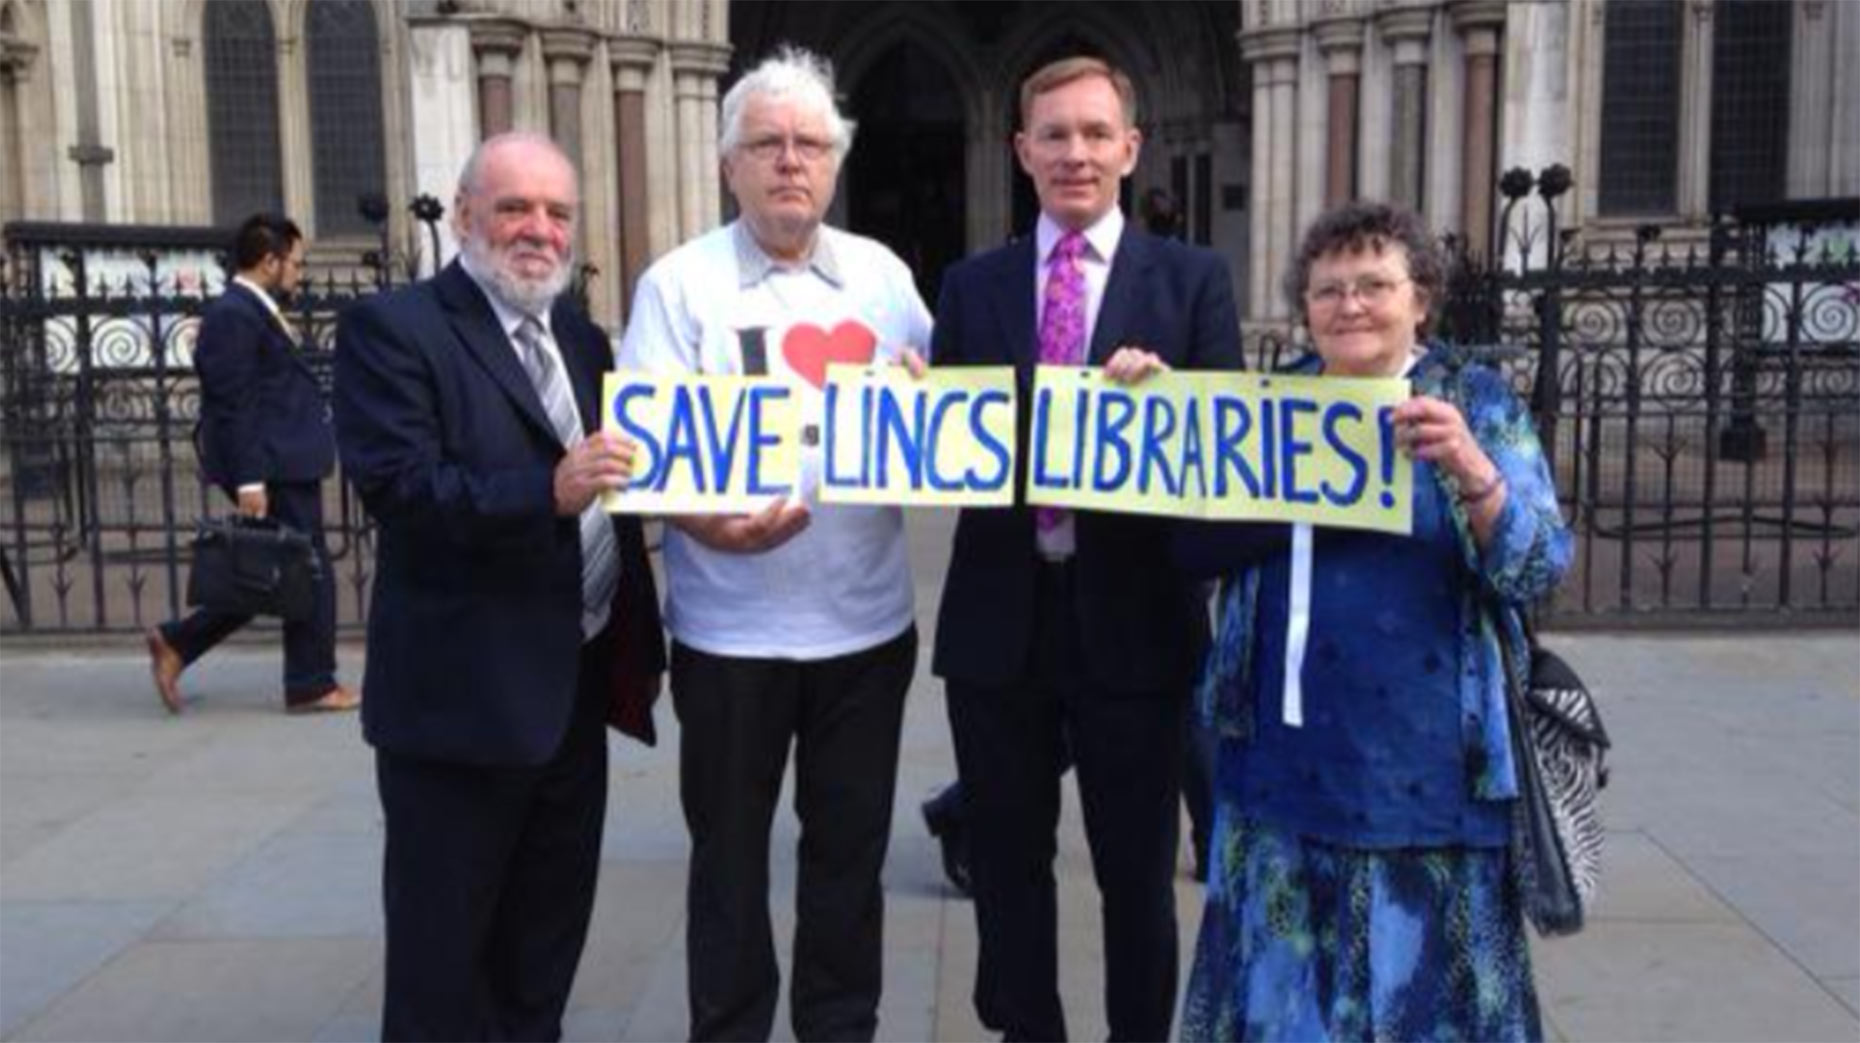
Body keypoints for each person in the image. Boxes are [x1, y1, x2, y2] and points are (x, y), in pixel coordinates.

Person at [1177, 201, 1574, 1042]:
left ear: (1420, 298)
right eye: (1327, 290)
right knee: (1284, 1005)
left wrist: (1472, 468)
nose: (1349, 305)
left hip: (1430, 772)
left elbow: (1538, 565)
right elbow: (1184, 531)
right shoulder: (1272, 400)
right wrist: (1140, 396)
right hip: (1281, 766)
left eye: (1373, 285)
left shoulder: (1475, 399)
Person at [618, 46, 929, 1043]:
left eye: (809, 143)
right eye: (767, 143)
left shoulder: (883, 279)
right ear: (729, 166)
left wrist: (931, 412)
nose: (790, 160)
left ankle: (840, 1026)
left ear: (836, 163)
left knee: (849, 859)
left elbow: (934, 429)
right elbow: (648, 456)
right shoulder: (678, 286)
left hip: (864, 630)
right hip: (728, 634)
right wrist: (712, 525)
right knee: (730, 863)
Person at [929, 56, 1242, 1041]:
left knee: (1135, 878)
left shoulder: (1192, 283)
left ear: (1130, 147)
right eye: (1054, 134)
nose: (1076, 153)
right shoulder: (970, 285)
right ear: (1022, 151)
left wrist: (1167, 410)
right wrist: (906, 400)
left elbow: (1222, 458)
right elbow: (947, 454)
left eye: (1095, 133)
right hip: (999, 626)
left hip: (1136, 622)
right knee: (1010, 872)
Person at [333, 131, 665, 1041]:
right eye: (515, 207)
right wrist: (546, 492)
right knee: (442, 970)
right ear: (467, 210)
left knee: (541, 953)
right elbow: (401, 490)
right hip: (460, 711)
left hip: (573, 693)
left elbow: (625, 479)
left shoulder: (579, 335)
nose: (539, 230)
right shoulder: (395, 328)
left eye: (558, 212)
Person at [145, 213, 357, 716]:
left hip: (283, 459)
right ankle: (310, 683)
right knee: (306, 567)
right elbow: (234, 402)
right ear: (269, 261)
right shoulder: (234, 315)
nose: (298, 274)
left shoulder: (251, 309)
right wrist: (250, 479)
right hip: (270, 463)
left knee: (278, 569)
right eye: (295, 264)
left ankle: (178, 642)